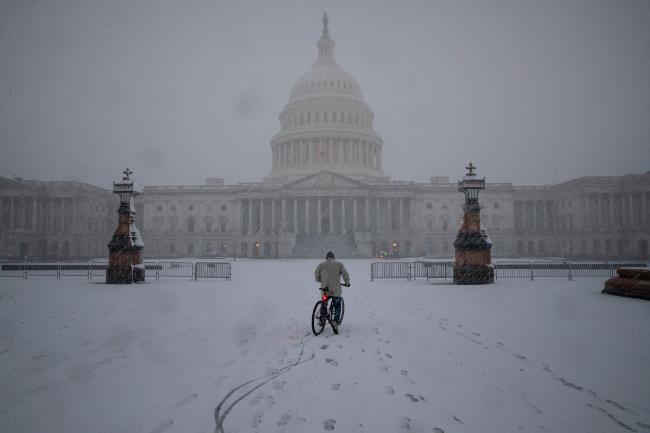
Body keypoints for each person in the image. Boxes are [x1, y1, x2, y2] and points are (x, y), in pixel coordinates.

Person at [314, 251, 350, 333]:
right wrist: (347, 283)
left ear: (326, 258)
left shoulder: (322, 264)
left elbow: (316, 275)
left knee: (324, 303)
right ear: (334, 257)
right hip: (336, 290)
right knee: (337, 306)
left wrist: (321, 281)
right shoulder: (339, 264)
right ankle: (335, 322)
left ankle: (321, 319)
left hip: (325, 289)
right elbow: (345, 274)